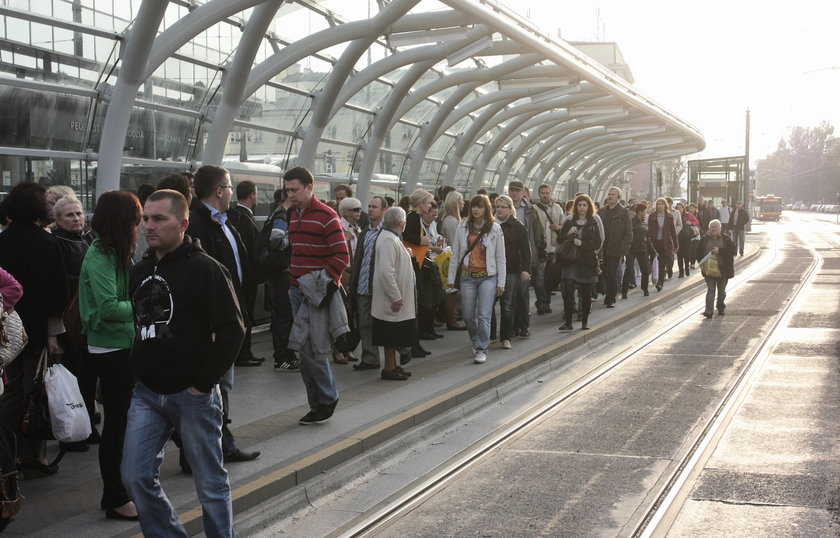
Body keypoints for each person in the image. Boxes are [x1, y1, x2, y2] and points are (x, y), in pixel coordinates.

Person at [123, 189, 244, 538]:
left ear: (183, 223)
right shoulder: (141, 270)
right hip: (147, 393)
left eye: (159, 219)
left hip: (193, 394)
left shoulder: (205, 269)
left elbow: (232, 330)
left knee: (210, 483)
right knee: (134, 476)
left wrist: (203, 383)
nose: (149, 226)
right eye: (145, 218)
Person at [186, 165, 260, 463]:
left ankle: (214, 445)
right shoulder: (197, 226)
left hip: (230, 317)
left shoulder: (225, 222)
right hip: (213, 323)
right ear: (219, 191)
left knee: (222, 384)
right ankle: (212, 448)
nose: (231, 192)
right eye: (229, 187)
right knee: (215, 383)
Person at [78, 190, 141, 520]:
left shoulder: (115, 251)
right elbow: (108, 308)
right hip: (110, 347)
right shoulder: (101, 254)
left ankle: (124, 489)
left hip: (122, 344)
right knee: (118, 422)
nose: (140, 226)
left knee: (126, 420)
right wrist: (143, 306)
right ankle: (114, 496)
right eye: (136, 219)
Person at [0, 183, 69, 476]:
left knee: (11, 390)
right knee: (34, 390)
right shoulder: (49, 244)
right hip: (37, 329)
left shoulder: (2, 241)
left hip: (6, 329)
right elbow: (60, 295)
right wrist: (53, 333)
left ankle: (7, 453)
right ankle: (33, 456)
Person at [285, 166, 349, 425]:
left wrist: (320, 284)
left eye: (295, 190)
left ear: (310, 188)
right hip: (296, 290)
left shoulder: (327, 216)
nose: (290, 195)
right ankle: (317, 404)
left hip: (313, 293)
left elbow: (342, 256)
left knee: (313, 350)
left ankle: (327, 397)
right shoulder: (292, 214)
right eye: (287, 190)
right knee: (303, 351)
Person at [52, 195, 98, 446]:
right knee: (73, 376)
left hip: (88, 317)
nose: (76, 218)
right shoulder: (56, 243)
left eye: (79, 213)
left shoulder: (88, 239)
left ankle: (89, 426)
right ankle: (73, 433)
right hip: (69, 319)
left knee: (89, 375)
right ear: (58, 219)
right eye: (69, 215)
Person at [447, 195, 505, 365]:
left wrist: (501, 282)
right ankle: (475, 338)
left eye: (479, 207)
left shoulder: (494, 228)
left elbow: (500, 257)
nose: (476, 209)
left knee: (484, 315)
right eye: (473, 206)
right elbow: (456, 253)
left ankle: (481, 348)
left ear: (486, 208)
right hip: (467, 277)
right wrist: (451, 278)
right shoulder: (462, 226)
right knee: (467, 315)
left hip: (488, 277)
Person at [372, 207, 417, 381]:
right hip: (391, 299)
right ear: (401, 223)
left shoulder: (391, 238)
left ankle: (393, 365)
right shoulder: (389, 240)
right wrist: (395, 295)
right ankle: (389, 368)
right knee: (390, 334)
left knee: (393, 334)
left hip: (394, 297)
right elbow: (386, 271)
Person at [348, 196, 390, 372]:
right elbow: (358, 259)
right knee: (364, 323)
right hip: (363, 286)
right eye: (369, 206)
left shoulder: (388, 232)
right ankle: (370, 358)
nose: (370, 209)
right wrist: (353, 281)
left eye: (374, 207)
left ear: (383, 211)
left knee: (385, 323)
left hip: (380, 286)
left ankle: (401, 351)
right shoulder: (365, 231)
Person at [229, 180, 266, 367]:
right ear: (252, 195)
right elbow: (252, 250)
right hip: (246, 277)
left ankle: (244, 352)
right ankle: (244, 353)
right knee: (246, 314)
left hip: (242, 276)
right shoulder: (244, 219)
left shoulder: (234, 216)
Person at [506, 180, 545, 337]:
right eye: (512, 190)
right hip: (508, 256)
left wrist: (540, 254)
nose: (514, 193)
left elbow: (538, 233)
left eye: (517, 190)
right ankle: (512, 326)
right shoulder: (503, 207)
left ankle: (523, 326)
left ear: (523, 192)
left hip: (524, 256)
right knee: (510, 294)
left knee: (522, 292)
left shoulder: (530, 210)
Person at [558, 194, 601, 331]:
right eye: (579, 205)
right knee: (568, 289)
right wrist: (568, 233)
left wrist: (582, 243)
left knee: (586, 292)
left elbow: (597, 243)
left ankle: (584, 321)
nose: (582, 208)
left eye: (584, 205)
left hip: (587, 262)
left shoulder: (593, 223)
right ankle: (569, 321)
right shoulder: (569, 222)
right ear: (575, 207)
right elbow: (559, 239)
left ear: (589, 207)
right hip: (571, 261)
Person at [494, 195, 530, 350]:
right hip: (492, 270)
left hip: (512, 270)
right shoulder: (490, 225)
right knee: (488, 305)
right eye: (498, 206)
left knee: (507, 304)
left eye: (503, 207)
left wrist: (526, 270)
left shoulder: (518, 226)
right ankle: (490, 335)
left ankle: (506, 337)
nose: (500, 210)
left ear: (510, 209)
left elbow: (525, 250)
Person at [599, 186, 632, 308]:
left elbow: (628, 233)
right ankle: (607, 292)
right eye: (609, 194)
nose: (610, 196)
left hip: (615, 248)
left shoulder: (624, 212)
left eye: (613, 194)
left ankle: (610, 298)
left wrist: (624, 249)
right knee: (604, 272)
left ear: (618, 197)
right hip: (603, 248)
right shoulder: (602, 211)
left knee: (612, 273)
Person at [696, 219, 736, 318]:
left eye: (715, 227)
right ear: (709, 228)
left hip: (723, 270)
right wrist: (701, 263)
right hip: (709, 270)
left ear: (720, 228)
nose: (713, 229)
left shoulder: (726, 238)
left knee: (721, 291)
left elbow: (733, 250)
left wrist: (720, 251)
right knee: (711, 290)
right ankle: (708, 310)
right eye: (712, 227)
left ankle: (720, 306)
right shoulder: (705, 239)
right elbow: (697, 251)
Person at [438, 191, 466, 331]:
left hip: (452, 260)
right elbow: (456, 244)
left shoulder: (451, 219)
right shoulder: (451, 221)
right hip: (451, 261)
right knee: (451, 291)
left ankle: (450, 318)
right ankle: (451, 320)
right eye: (461, 201)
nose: (463, 203)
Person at [533, 184, 563, 311]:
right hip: (541, 250)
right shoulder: (534, 209)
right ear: (539, 195)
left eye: (547, 193)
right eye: (542, 193)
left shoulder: (558, 208)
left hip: (554, 249)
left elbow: (564, 225)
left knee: (550, 278)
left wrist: (559, 227)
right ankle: (542, 303)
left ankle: (546, 302)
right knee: (539, 279)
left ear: (551, 194)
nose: (545, 195)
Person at [621, 203, 653, 298]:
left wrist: (652, 250)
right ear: (640, 212)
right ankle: (624, 291)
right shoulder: (631, 222)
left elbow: (648, 237)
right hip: (631, 249)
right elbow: (626, 235)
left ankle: (645, 288)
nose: (646, 213)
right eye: (645, 211)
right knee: (629, 269)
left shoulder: (644, 222)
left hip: (643, 249)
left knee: (645, 271)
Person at [648, 197, 678, 292]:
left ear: (665, 205)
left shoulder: (669, 216)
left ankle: (660, 282)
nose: (660, 206)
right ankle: (655, 278)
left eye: (662, 204)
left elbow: (673, 231)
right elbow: (648, 231)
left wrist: (676, 244)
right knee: (654, 262)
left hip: (665, 243)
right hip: (654, 243)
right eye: (658, 204)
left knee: (662, 263)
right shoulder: (652, 216)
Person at [675, 201, 699, 278]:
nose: (679, 209)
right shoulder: (675, 215)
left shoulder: (688, 215)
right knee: (679, 256)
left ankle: (687, 268)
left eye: (680, 207)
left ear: (683, 208)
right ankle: (681, 272)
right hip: (678, 238)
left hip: (687, 238)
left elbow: (696, 222)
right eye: (677, 208)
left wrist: (691, 223)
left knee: (686, 255)